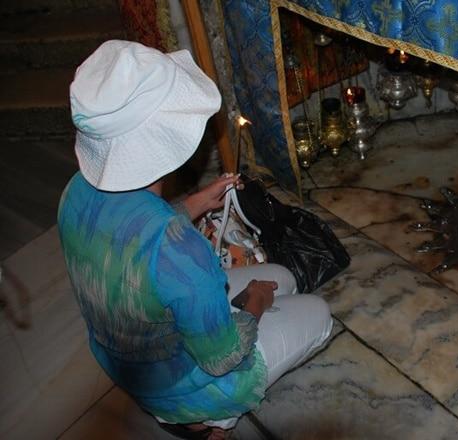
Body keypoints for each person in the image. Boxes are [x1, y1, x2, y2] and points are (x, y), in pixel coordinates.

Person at [58, 40, 333, 440]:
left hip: (127, 361)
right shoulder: (180, 250)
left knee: (281, 277)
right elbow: (222, 359)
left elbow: (131, 237)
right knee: (318, 313)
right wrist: (254, 305)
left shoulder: (73, 194)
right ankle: (203, 421)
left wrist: (194, 205)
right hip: (178, 385)